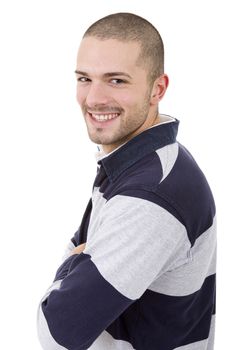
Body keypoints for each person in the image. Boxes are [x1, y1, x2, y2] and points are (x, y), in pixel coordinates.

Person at [37, 12, 216, 350]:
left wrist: (73, 261)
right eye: (84, 79)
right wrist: (85, 259)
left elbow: (56, 331)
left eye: (116, 80)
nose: (93, 98)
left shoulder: (148, 197)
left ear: (157, 88)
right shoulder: (147, 161)